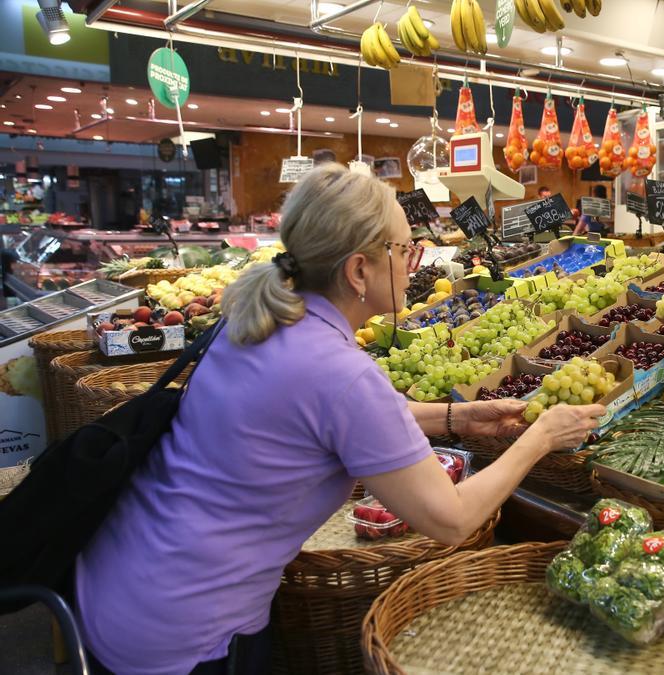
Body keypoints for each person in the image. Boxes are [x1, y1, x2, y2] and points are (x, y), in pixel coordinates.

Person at [73, 163, 605, 675]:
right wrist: (539, 438)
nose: (414, 260)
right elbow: (450, 519)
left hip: (117, 583)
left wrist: (458, 417)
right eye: (403, 249)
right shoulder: (340, 373)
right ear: (358, 270)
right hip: (184, 633)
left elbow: (324, 414)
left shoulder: (260, 322)